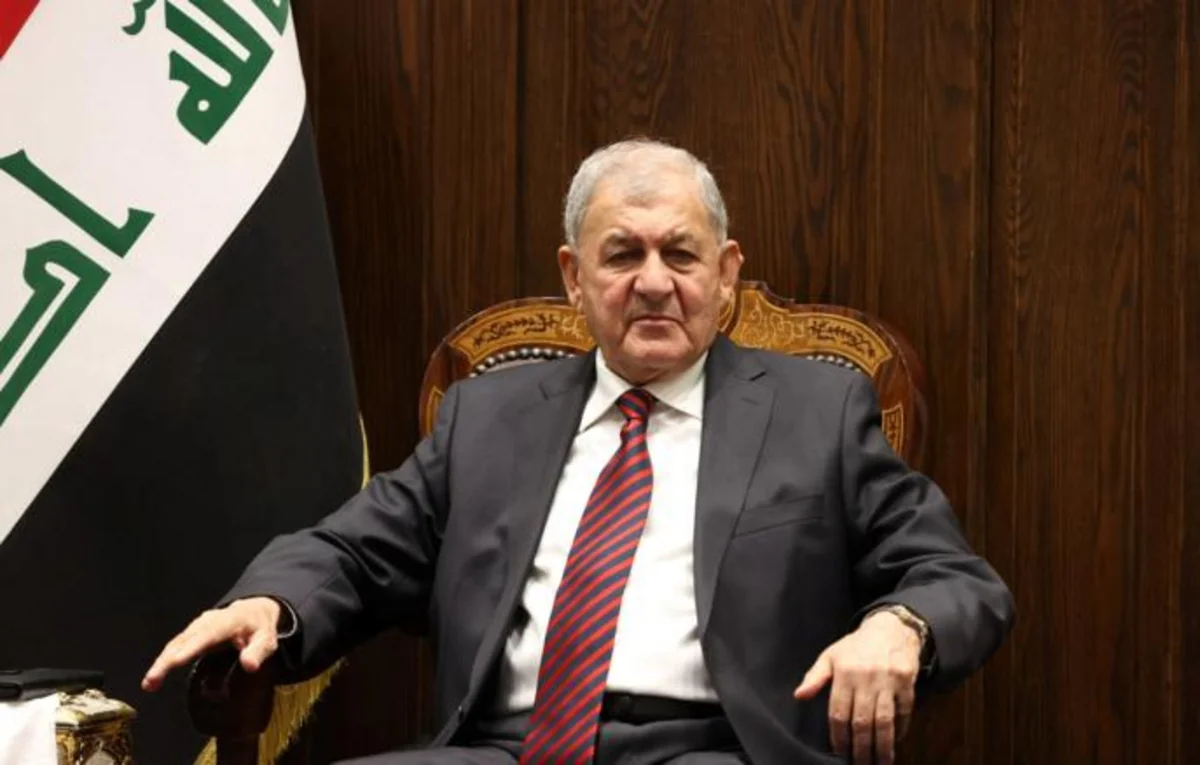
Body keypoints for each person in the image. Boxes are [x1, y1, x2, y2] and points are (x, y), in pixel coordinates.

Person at [144, 139, 1013, 764]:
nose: (654, 282)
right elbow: (354, 550)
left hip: (715, 749)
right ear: (573, 277)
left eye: (681, 254)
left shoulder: (817, 412)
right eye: (622, 254)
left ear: (725, 272)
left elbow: (957, 579)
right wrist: (271, 604)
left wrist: (900, 625)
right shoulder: (489, 416)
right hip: (502, 749)